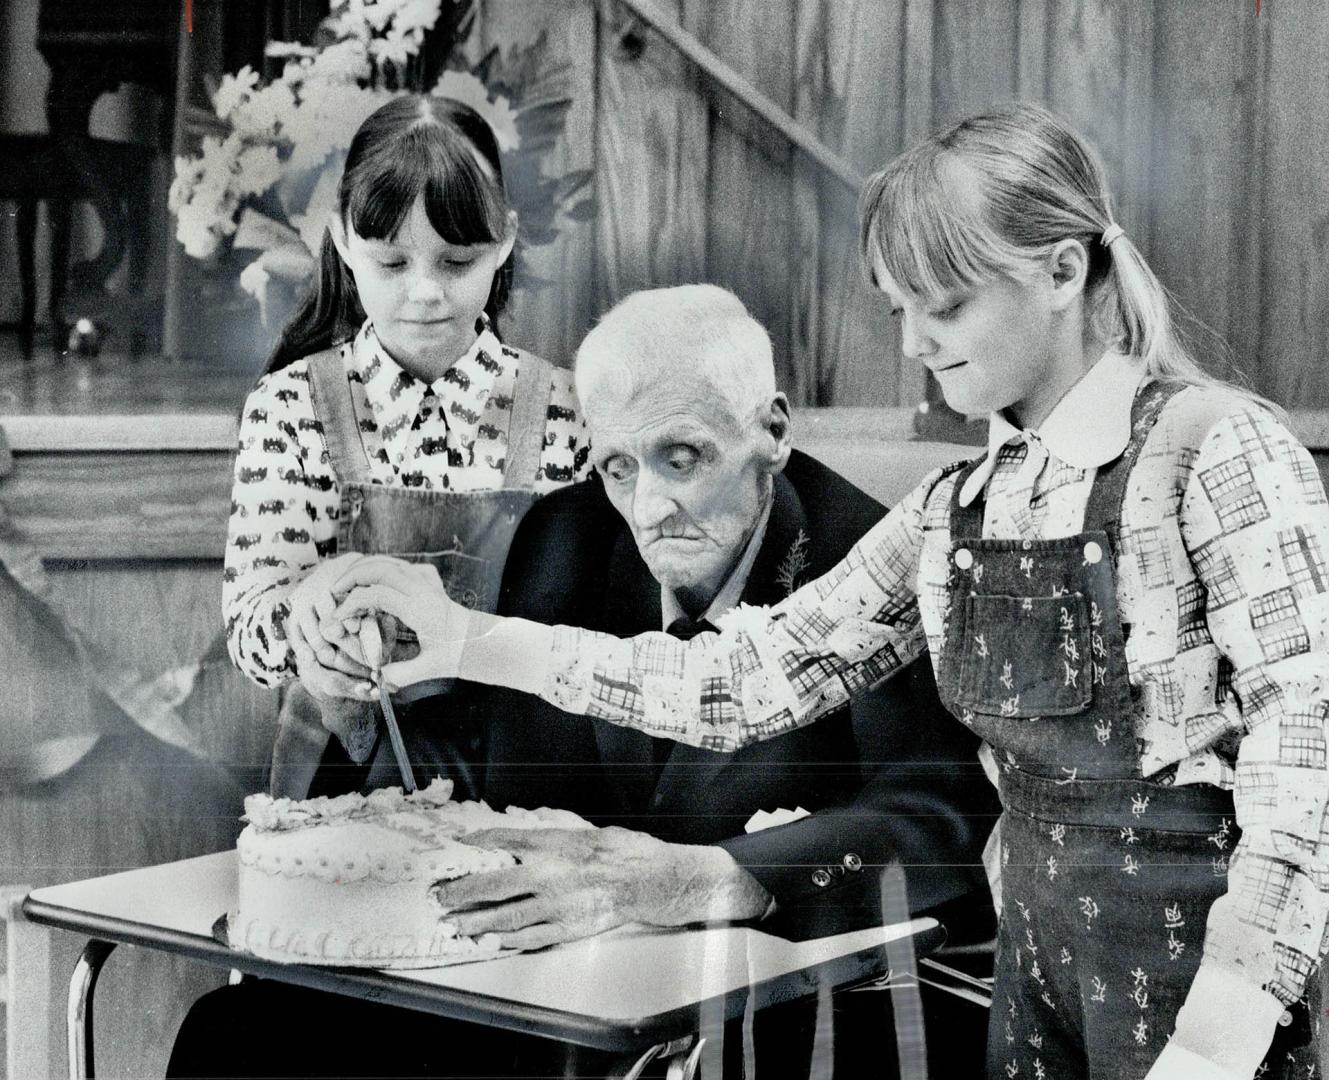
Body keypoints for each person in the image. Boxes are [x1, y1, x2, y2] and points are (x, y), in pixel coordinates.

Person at [331, 104, 1329, 1080]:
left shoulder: (1215, 448)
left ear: (1063, 271)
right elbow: (748, 678)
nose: (913, 344)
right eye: (899, 308)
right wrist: (464, 640)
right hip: (1037, 991)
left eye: (944, 304)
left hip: (1199, 994)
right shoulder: (956, 508)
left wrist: (1219, 1040)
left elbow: (1310, 764)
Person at [170, 285, 994, 1080]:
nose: (649, 506)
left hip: (757, 1011)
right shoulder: (566, 536)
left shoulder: (865, 557)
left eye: (683, 458)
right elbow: (483, 780)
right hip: (547, 995)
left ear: (770, 432)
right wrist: (354, 693)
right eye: (618, 467)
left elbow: (936, 816)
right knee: (237, 1034)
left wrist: (709, 877)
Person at [222, 93, 591, 801]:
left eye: (457, 261)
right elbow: (249, 623)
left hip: (528, 777)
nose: (424, 293)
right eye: (391, 262)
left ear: (506, 241)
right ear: (340, 239)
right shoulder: (291, 405)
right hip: (341, 776)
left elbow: (590, 628)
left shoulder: (565, 412)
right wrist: (306, 632)